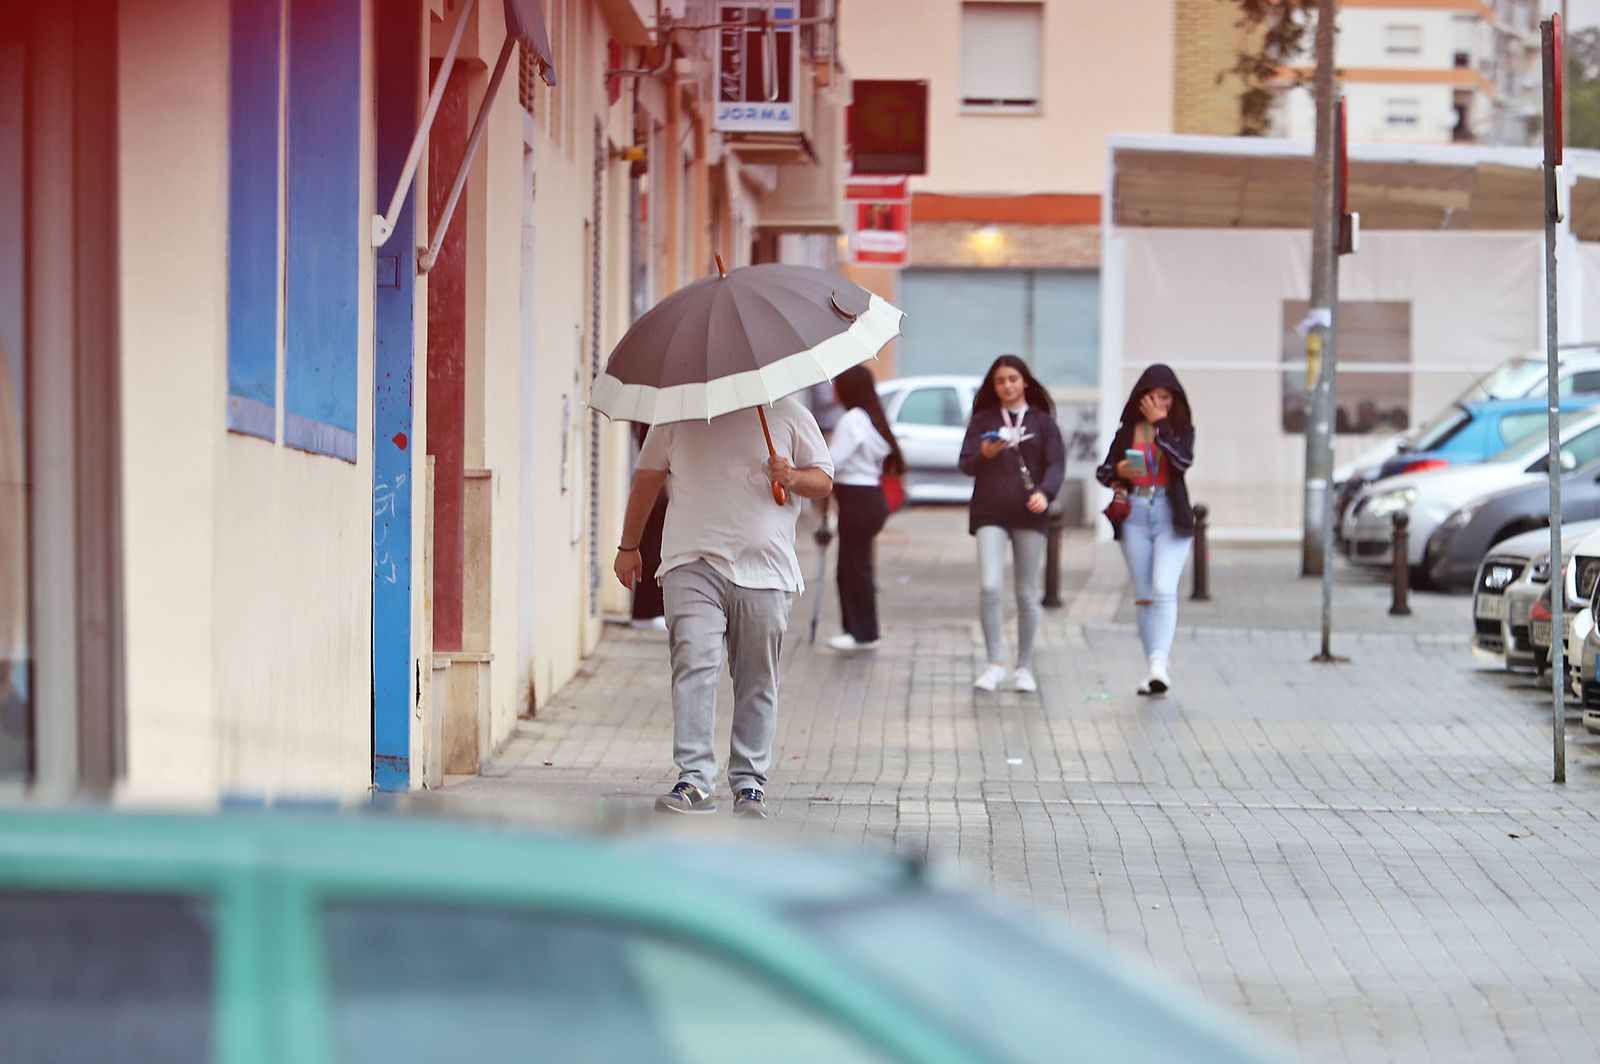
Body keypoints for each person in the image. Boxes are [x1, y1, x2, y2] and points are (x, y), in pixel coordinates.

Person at [614, 396, 834, 818]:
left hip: (766, 569)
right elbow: (647, 478)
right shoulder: (676, 413)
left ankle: (749, 782)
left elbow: (823, 480)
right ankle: (695, 780)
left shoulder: (788, 413)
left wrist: (791, 476)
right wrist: (629, 545)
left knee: (756, 678)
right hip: (691, 563)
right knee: (693, 664)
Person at [958, 355, 1066, 694]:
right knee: (990, 586)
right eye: (1000, 380)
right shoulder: (983, 420)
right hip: (990, 511)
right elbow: (966, 464)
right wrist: (985, 455)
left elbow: (1056, 464)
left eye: (1013, 379)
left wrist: (1045, 493)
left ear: (1025, 382)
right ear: (993, 386)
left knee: (1026, 592)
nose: (1007, 385)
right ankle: (994, 664)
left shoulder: (1042, 422)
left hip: (1030, 513)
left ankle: (1024, 667)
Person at [1096, 364, 1196, 696]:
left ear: (1174, 400)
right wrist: (1120, 470)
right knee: (1143, 595)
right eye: (1151, 398)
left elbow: (1183, 461)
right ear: (1140, 399)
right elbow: (1104, 471)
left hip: (1170, 513)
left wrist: (1160, 425)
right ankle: (1152, 666)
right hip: (1135, 513)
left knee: (1163, 588)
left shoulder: (1180, 429)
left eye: (1164, 398)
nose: (1157, 404)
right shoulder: (1129, 429)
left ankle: (1159, 664)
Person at [825, 365, 906, 653]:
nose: (832, 391)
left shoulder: (852, 420)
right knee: (856, 566)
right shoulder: (869, 417)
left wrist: (811, 468)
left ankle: (862, 633)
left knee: (852, 568)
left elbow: (833, 461)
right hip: (868, 497)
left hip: (857, 499)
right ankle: (860, 631)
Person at [628, 423, 668, 631]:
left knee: (655, 544)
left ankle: (649, 611)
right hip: (658, 486)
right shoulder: (655, 424)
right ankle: (646, 611)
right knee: (653, 546)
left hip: (661, 483)